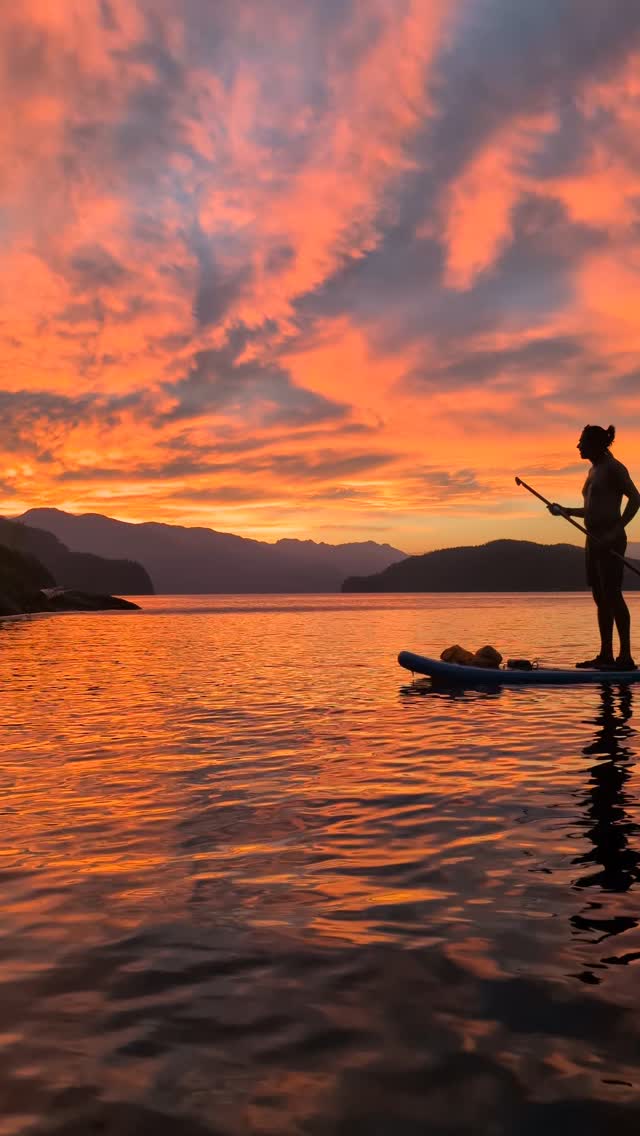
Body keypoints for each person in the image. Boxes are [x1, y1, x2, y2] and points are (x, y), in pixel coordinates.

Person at [548, 424, 640, 670]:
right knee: (600, 597)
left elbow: (636, 498)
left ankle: (626, 657)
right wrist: (566, 511)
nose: (578, 446)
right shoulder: (593, 471)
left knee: (613, 593)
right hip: (592, 538)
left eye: (582, 441)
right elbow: (591, 510)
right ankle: (606, 655)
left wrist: (617, 529)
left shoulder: (614, 468)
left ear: (596, 444)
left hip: (610, 538)